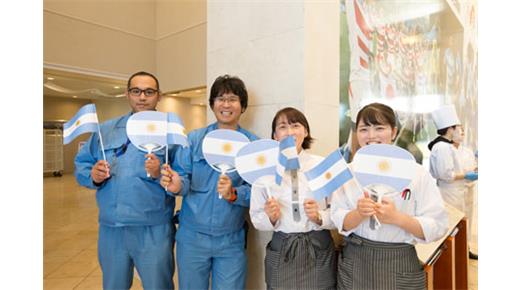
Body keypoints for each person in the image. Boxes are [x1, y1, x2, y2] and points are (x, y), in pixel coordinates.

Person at [75, 71, 176, 290]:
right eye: (136, 91)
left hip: (153, 228)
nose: (142, 97)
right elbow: (81, 165)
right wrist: (93, 175)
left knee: (158, 285)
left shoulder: (171, 132)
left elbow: (183, 179)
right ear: (127, 94)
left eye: (149, 92)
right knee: (113, 285)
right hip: (113, 227)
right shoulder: (107, 130)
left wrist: (161, 174)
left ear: (159, 96)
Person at [331, 102, 448, 290]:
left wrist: (398, 218)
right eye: (364, 129)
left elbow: (438, 224)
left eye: (379, 128)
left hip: (400, 263)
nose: (371, 135)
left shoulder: (417, 173)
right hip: (356, 262)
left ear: (393, 132)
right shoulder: (347, 172)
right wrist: (359, 213)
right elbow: (337, 217)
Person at [160, 75, 257, 290]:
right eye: (220, 98)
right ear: (212, 104)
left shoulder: (252, 145)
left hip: (231, 238)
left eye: (232, 99)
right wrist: (176, 186)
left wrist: (235, 194)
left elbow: (258, 192)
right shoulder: (194, 139)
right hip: (192, 236)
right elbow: (182, 179)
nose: (226, 104)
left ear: (242, 106)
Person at [250, 107, 337, 290]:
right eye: (282, 126)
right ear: (275, 135)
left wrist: (320, 217)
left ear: (305, 131)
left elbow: (338, 213)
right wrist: (271, 217)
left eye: (295, 125)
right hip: (283, 247)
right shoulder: (264, 172)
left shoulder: (322, 165)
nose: (289, 132)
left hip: (318, 247)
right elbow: (257, 218)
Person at [428, 106, 478, 259]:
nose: (460, 131)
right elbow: (446, 174)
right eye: (458, 128)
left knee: (461, 223)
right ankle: (453, 256)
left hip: (459, 190)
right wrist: (465, 175)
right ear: (451, 129)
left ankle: (462, 252)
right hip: (450, 191)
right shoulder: (442, 147)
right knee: (453, 224)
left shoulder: (446, 147)